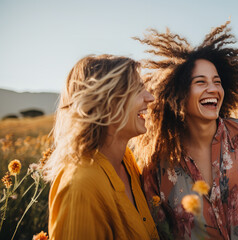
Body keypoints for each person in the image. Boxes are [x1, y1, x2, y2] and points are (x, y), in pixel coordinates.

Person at [134, 21, 238, 239]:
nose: (213, 89)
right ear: (178, 92)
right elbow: (160, 231)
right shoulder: (157, 165)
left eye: (217, 82)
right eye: (201, 82)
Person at [44, 54, 160, 239]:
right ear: (107, 102)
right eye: (138, 89)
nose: (150, 98)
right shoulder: (81, 186)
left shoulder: (126, 161)